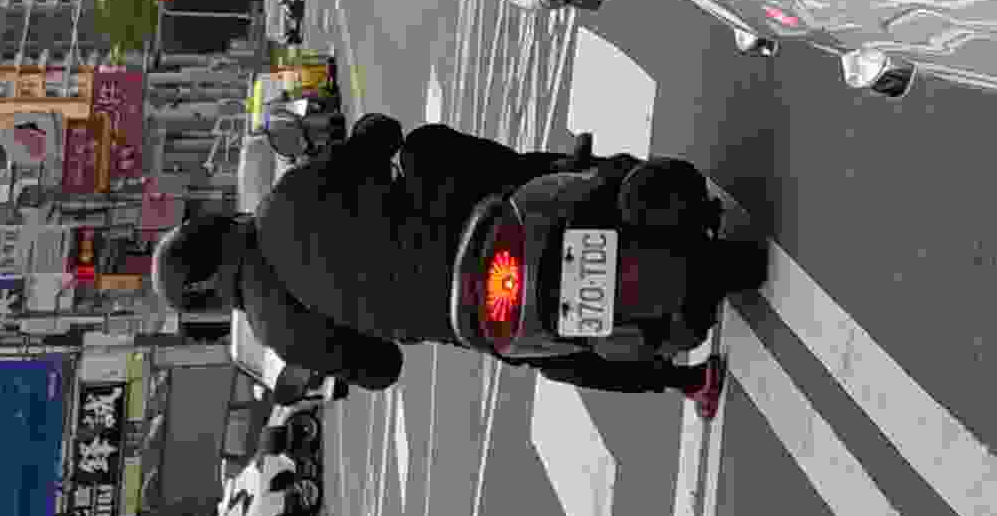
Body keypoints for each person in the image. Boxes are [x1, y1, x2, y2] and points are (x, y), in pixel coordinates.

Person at [153, 116, 726, 411]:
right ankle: (587, 173)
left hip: (469, 311)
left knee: (558, 360)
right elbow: (381, 137)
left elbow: (382, 368)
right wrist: (368, 138)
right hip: (473, 215)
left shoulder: (276, 331)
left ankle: (688, 380)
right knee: (436, 149)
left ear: (210, 298)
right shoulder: (285, 200)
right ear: (213, 229)